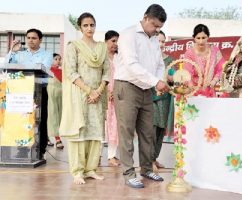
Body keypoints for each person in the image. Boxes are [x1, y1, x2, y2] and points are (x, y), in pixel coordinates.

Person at [113, 4, 169, 188]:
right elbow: (131, 65)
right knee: (127, 132)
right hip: (127, 87)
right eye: (154, 25)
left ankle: (146, 169)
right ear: (145, 18)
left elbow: (160, 64)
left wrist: (159, 81)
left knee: (147, 132)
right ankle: (129, 173)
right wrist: (156, 81)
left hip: (147, 90)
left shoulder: (153, 39)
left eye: (159, 27)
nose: (156, 30)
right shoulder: (128, 35)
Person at [59, 12, 109, 185]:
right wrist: (89, 91)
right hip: (80, 95)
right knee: (79, 133)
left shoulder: (102, 47)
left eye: (92, 25)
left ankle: (90, 170)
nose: (89, 28)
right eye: (86, 25)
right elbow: (70, 72)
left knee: (95, 134)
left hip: (97, 95)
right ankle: (78, 171)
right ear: (80, 27)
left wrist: (98, 91)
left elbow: (107, 72)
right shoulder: (74, 46)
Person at [5, 28, 52, 160]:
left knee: (40, 120)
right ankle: (22, 149)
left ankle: (40, 149)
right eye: (29, 38)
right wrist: (12, 51)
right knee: (23, 120)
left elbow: (44, 67)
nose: (31, 41)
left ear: (40, 40)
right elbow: (6, 65)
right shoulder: (19, 54)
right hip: (23, 90)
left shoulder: (47, 54)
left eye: (34, 38)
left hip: (39, 90)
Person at [151, 30, 173, 172]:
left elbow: (172, 78)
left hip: (165, 98)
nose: (161, 44)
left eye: (163, 41)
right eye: (158, 41)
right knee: (151, 130)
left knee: (160, 130)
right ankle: (149, 160)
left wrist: (173, 78)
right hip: (151, 98)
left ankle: (154, 158)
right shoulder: (148, 59)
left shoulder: (169, 60)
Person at [183, 24, 225, 97]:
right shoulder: (189, 53)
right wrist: (191, 88)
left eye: (203, 37)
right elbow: (187, 73)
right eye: (198, 38)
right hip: (194, 92)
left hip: (210, 91)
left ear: (208, 37)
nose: (201, 41)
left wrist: (214, 81)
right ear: (194, 38)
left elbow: (221, 69)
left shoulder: (214, 50)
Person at [104, 30, 120, 167]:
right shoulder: (100, 57)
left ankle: (111, 156)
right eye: (113, 41)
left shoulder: (120, 58)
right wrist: (104, 91)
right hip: (101, 94)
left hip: (117, 95)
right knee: (100, 126)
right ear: (106, 41)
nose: (115, 44)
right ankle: (94, 157)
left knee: (114, 126)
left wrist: (115, 91)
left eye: (117, 41)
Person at [47, 53, 64, 149]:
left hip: (60, 97)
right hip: (50, 98)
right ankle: (55, 139)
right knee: (51, 116)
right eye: (56, 59)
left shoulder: (62, 71)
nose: (58, 61)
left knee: (59, 117)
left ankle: (56, 137)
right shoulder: (47, 71)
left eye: (59, 59)